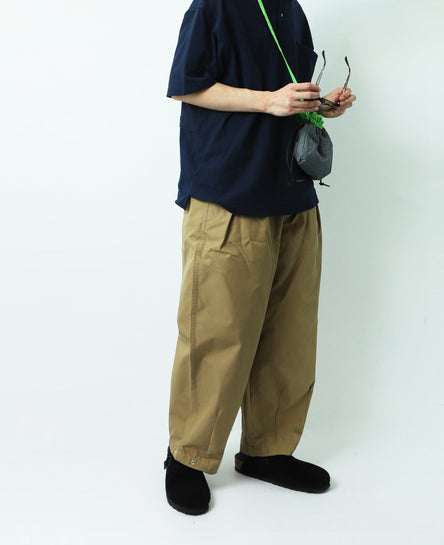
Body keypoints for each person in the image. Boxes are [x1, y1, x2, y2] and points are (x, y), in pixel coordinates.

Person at [163, 0, 356, 515]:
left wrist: (321, 106)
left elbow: (288, 94)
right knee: (216, 332)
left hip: (293, 193)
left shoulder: (291, 9)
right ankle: (186, 456)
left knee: (290, 334)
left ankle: (268, 451)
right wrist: (269, 102)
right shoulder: (215, 6)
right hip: (229, 194)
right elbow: (186, 85)